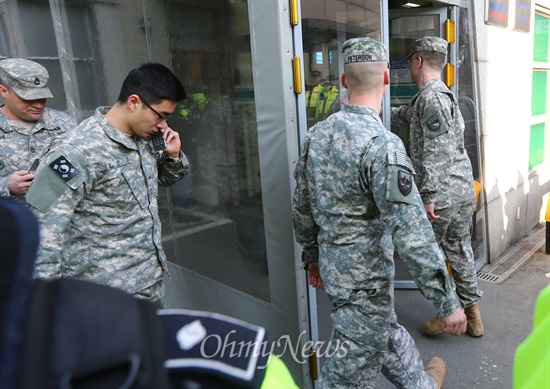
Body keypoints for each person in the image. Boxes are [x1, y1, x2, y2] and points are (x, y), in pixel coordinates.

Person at [292, 37, 467, 389]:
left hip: (335, 270)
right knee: (344, 376)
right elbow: (412, 231)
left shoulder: (316, 135)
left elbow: (303, 206)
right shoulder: (383, 146)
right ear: (387, 78)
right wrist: (448, 301)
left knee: (383, 334)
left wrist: (312, 256)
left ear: (343, 81)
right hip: (367, 283)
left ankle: (423, 383)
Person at [26, 63, 189, 308]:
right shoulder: (75, 151)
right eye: (161, 115)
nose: (162, 125)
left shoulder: (144, 137)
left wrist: (172, 155)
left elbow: (166, 179)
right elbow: (40, 227)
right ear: (134, 102)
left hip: (147, 282)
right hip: (102, 297)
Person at [391, 36, 484, 338]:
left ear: (418, 61)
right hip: (460, 189)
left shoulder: (430, 99)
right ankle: (473, 316)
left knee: (426, 254)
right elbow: (407, 116)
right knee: (459, 250)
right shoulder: (443, 96)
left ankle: (447, 315)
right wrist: (382, 111)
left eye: (410, 63)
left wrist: (428, 197)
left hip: (440, 194)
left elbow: (435, 151)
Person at [0, 58, 76, 203]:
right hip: (15, 222)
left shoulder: (63, 123)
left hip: (63, 219)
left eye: (42, 97)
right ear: (4, 91)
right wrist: (6, 186)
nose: (38, 105)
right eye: (28, 98)